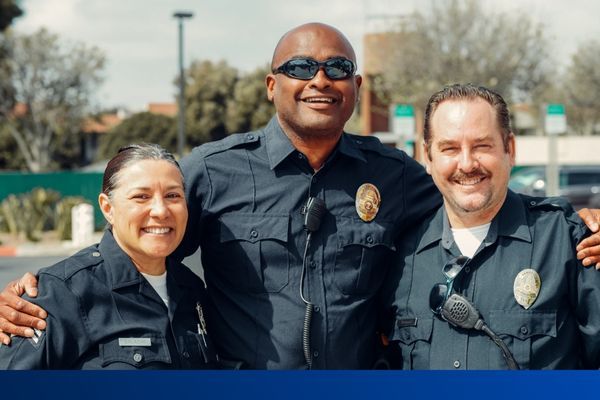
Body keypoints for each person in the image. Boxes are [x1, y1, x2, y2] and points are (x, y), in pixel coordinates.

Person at [1, 24, 600, 370]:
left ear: (356, 87)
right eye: (301, 66)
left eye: (338, 66)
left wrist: (578, 223)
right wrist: (41, 292)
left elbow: (474, 193)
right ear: (272, 85)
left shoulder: (396, 174)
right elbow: (140, 244)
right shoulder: (211, 170)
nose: (320, 79)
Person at [385, 84, 600, 369]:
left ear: (510, 149)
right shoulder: (399, 256)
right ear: (428, 156)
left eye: (481, 146)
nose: (466, 163)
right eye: (449, 148)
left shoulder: (568, 241)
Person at [0, 144, 219, 369]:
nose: (161, 211)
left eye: (173, 195)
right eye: (141, 196)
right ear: (107, 208)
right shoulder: (63, 292)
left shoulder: (192, 290)